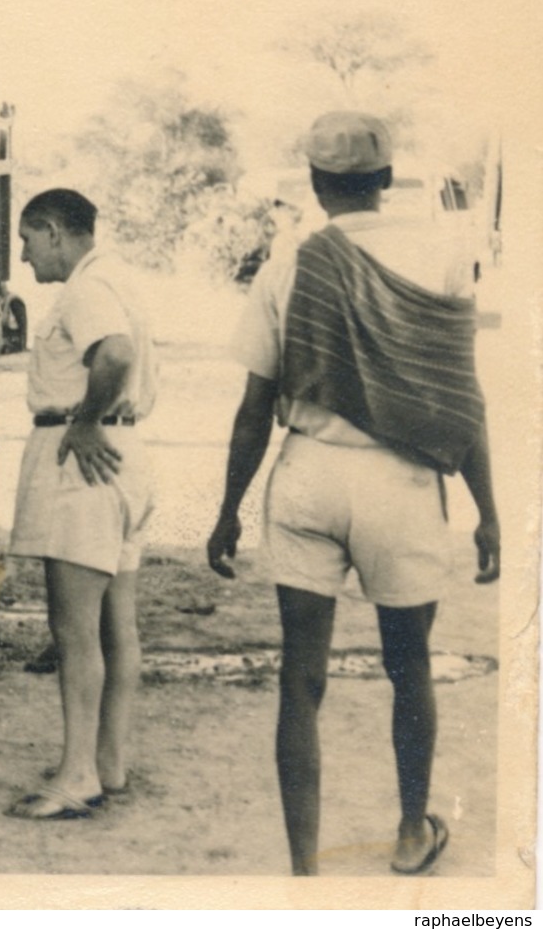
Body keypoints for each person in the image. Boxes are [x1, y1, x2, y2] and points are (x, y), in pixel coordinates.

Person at [207, 111, 499, 877]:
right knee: (410, 665)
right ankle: (410, 831)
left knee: (299, 680)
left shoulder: (288, 265)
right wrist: (488, 513)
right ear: (385, 179)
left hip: (306, 472)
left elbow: (250, 411)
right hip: (399, 482)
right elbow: (459, 400)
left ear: (313, 183)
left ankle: (303, 867)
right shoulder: (441, 257)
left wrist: (226, 511)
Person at [5, 188, 158, 820]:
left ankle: (76, 776)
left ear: (55, 232)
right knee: (114, 625)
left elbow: (114, 354)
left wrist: (86, 421)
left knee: (74, 631)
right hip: (125, 461)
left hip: (87, 463)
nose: (24, 254)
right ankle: (108, 761)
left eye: (28, 239)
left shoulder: (85, 290)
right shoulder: (117, 278)